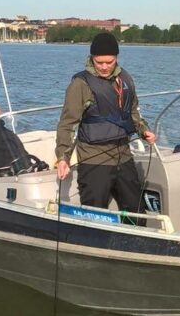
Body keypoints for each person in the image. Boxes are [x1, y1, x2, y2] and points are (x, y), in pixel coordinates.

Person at [55, 32, 156, 217]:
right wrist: (63, 157)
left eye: (109, 62)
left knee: (135, 210)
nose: (104, 67)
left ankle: (132, 241)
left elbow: (132, 112)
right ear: (92, 58)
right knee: (95, 214)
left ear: (116, 58)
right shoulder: (80, 84)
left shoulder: (125, 78)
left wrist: (144, 130)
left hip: (124, 156)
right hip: (94, 160)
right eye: (99, 62)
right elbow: (67, 124)